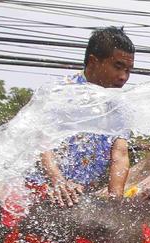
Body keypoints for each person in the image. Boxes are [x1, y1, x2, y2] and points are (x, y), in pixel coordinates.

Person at [37, 27, 135, 206]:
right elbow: (43, 143)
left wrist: (116, 204)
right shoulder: (60, 92)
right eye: (118, 67)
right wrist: (58, 182)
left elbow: (119, 155)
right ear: (93, 62)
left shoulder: (119, 107)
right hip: (43, 187)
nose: (123, 77)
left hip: (80, 195)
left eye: (129, 70)